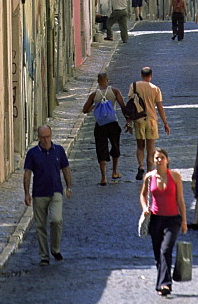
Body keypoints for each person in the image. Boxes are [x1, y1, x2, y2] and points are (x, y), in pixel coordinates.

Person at [140, 148, 188, 296]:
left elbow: (180, 199)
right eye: (156, 158)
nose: (159, 160)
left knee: (165, 250)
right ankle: (162, 283)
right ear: (153, 160)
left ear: (167, 160)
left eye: (161, 157)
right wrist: (145, 208)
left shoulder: (175, 176)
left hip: (172, 219)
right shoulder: (149, 177)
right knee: (157, 254)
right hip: (155, 219)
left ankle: (165, 284)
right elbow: (142, 195)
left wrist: (184, 221)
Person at [23, 125, 72, 265]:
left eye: (48, 136)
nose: (45, 140)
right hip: (39, 193)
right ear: (39, 137)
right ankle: (44, 256)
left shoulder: (59, 150)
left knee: (56, 220)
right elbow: (27, 173)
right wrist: (27, 193)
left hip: (56, 191)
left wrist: (69, 187)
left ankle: (55, 249)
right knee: (40, 226)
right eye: (43, 137)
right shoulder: (32, 153)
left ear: (51, 135)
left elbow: (66, 169)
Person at [126, 66, 170, 180]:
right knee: (150, 148)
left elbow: (130, 105)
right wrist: (165, 122)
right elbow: (160, 108)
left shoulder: (134, 86)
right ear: (151, 76)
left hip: (138, 120)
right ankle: (150, 171)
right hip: (151, 120)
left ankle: (140, 166)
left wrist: (129, 121)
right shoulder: (155, 89)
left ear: (141, 75)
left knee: (140, 146)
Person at [82, 72, 126, 185]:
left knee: (101, 149)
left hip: (100, 125)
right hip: (113, 123)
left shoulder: (94, 95)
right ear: (107, 80)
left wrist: (95, 105)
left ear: (98, 81)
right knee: (115, 146)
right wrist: (129, 121)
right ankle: (115, 172)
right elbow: (123, 106)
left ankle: (103, 178)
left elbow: (85, 110)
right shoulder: (115, 91)